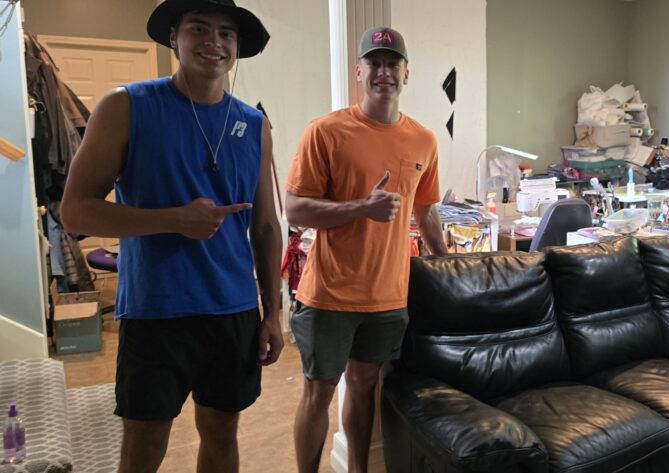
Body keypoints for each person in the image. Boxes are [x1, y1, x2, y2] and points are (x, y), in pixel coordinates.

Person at [60, 1, 283, 472]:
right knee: (144, 444)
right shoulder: (127, 106)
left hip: (233, 310)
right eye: (199, 28)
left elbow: (265, 226)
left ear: (237, 47)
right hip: (156, 310)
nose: (214, 42)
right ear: (173, 36)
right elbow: (75, 210)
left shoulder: (255, 126)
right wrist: (173, 219)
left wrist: (273, 311)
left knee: (222, 433)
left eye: (226, 33)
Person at [285, 26, 448, 473]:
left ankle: (358, 469)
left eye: (392, 63)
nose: (383, 72)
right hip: (330, 294)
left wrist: (446, 262)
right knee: (318, 393)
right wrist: (362, 207)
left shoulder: (424, 140)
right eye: (373, 63)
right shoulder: (327, 131)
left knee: (364, 386)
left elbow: (426, 210)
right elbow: (295, 209)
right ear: (359, 72)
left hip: (388, 296)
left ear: (406, 73)